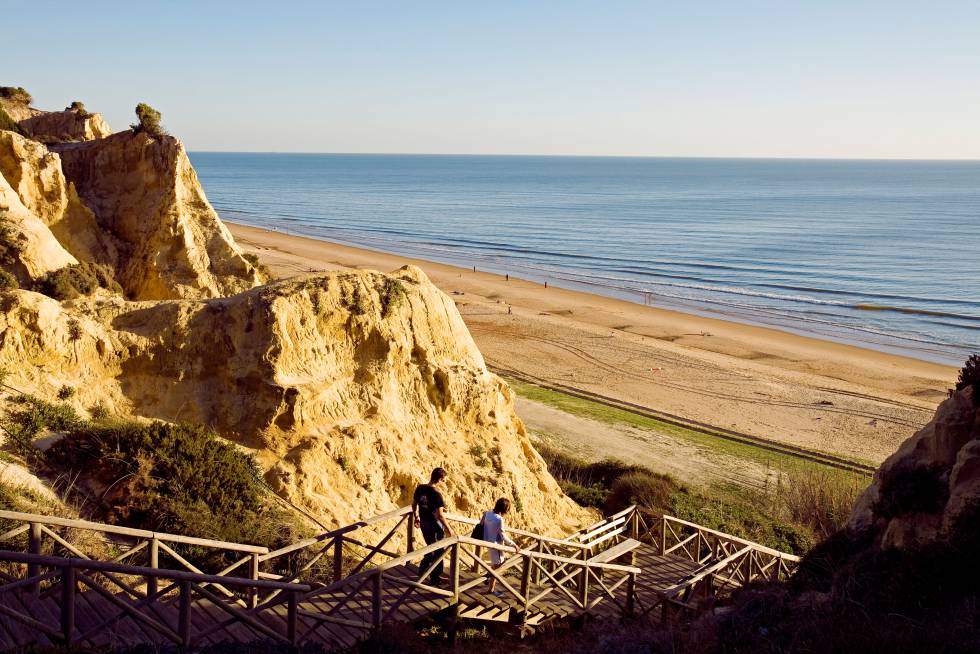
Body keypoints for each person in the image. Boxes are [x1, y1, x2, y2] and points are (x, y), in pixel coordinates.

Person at [412, 467, 454, 585]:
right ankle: (434, 577)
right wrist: (449, 529)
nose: (444, 481)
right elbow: (440, 515)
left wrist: (416, 517)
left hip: (424, 523)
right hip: (434, 525)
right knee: (438, 551)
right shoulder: (437, 495)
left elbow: (414, 504)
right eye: (444, 479)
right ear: (440, 479)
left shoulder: (420, 488)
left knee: (431, 547)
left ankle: (423, 572)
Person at [481, 498, 520, 596]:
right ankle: (491, 589)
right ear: (504, 508)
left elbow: (481, 525)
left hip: (487, 542)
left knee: (495, 565)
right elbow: (503, 536)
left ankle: (488, 576)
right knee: (498, 565)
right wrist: (514, 545)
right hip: (496, 545)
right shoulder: (499, 519)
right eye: (508, 508)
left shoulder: (487, 514)